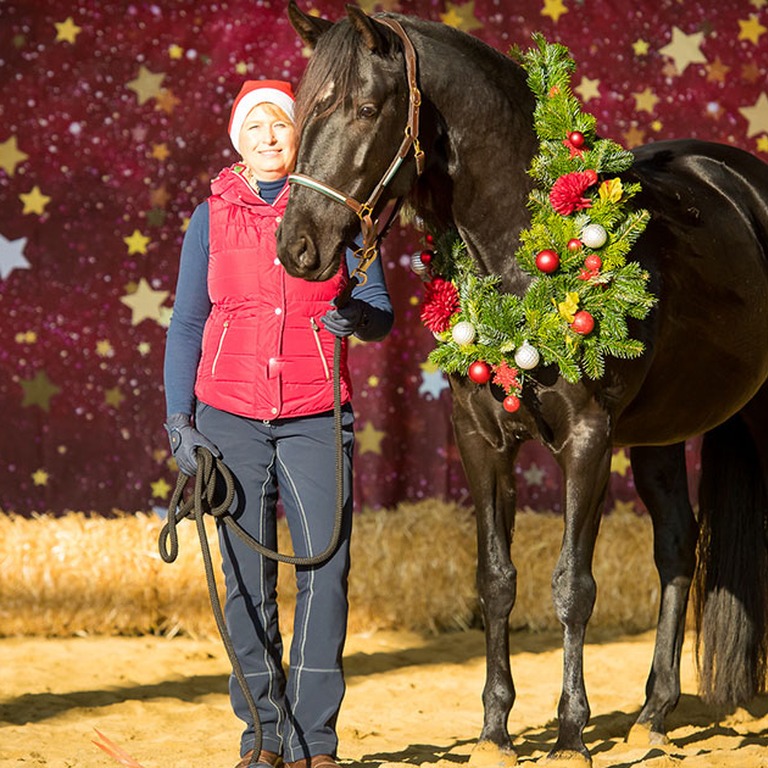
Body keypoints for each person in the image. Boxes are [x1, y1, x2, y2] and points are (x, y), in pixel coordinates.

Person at [163, 80, 394, 768]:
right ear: (238, 137)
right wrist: (181, 423)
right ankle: (262, 737)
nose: (268, 136)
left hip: (314, 418)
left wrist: (356, 316)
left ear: (301, 137)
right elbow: (185, 325)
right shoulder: (208, 218)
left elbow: (378, 307)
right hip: (228, 419)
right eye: (255, 126)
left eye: (281, 126)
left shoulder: (340, 214)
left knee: (325, 573)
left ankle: (313, 742)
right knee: (244, 581)